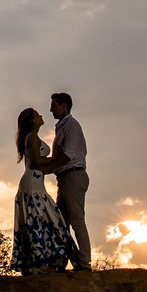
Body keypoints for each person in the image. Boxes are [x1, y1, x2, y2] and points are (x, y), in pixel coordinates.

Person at [12, 107, 75, 273]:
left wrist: (52, 166)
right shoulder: (32, 137)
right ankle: (40, 263)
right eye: (37, 115)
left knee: (40, 220)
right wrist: (61, 159)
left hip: (34, 181)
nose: (41, 116)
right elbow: (38, 161)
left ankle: (41, 262)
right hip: (33, 184)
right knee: (43, 220)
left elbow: (38, 164)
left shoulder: (32, 137)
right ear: (32, 121)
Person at [48, 92, 92, 271]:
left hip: (73, 174)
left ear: (64, 105)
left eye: (54, 105)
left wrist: (46, 168)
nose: (51, 109)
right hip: (65, 178)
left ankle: (84, 262)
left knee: (75, 219)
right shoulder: (62, 127)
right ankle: (61, 261)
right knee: (62, 221)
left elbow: (69, 154)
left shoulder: (72, 126)